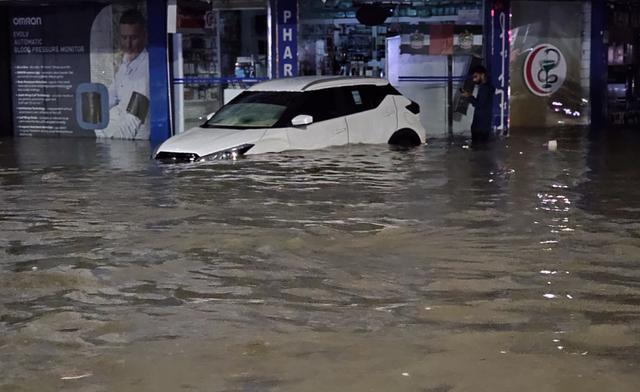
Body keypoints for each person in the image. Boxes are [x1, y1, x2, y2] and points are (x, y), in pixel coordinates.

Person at [96, 9, 150, 140]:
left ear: (144, 36)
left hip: (132, 142)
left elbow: (134, 119)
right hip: (116, 136)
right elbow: (109, 99)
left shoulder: (147, 70)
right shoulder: (125, 64)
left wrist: (108, 138)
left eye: (134, 38)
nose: (128, 44)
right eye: (124, 37)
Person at [461, 65, 495, 144]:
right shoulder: (487, 87)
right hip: (482, 125)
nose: (474, 79)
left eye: (476, 76)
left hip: (480, 127)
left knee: (478, 148)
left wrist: (469, 96)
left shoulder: (485, 88)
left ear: (482, 75)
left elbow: (479, 104)